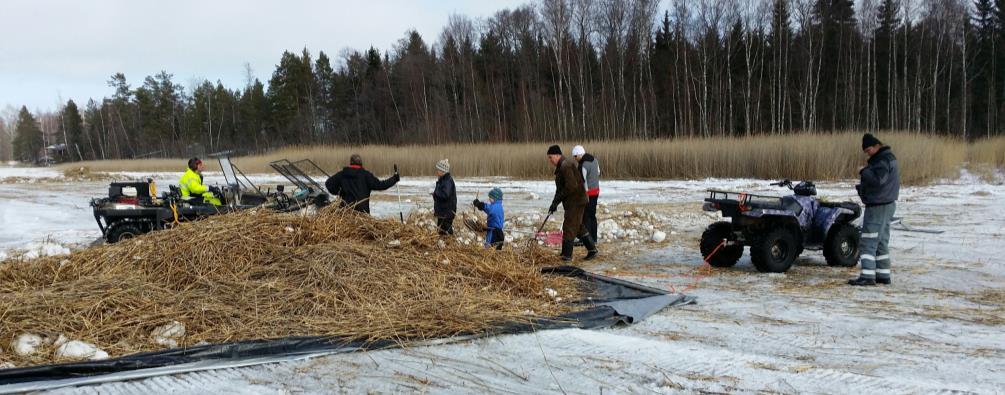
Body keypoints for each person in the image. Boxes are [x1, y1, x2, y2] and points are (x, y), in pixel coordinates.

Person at [849, 133, 900, 286]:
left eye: (869, 149)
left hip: (878, 206)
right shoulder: (889, 157)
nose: (868, 153)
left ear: (877, 145)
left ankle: (867, 276)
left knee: (868, 242)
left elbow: (879, 180)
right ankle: (883, 275)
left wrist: (864, 172)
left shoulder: (882, 160)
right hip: (887, 204)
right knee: (881, 241)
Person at [547, 145, 598, 261]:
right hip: (573, 202)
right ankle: (592, 250)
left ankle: (567, 256)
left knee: (569, 227)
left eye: (550, 157)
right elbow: (560, 189)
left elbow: (571, 186)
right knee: (578, 227)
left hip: (576, 201)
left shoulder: (566, 166)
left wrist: (558, 199)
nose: (550, 160)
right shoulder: (561, 167)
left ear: (557, 155)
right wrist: (554, 203)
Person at [325, 154, 400, 214]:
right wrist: (394, 179)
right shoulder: (366, 175)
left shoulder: (342, 174)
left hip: (346, 212)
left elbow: (328, 183)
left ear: (350, 163)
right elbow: (381, 185)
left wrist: (340, 192)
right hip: (363, 213)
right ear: (361, 163)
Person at [572, 145, 601, 244]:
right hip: (596, 191)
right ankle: (594, 239)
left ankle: (587, 241)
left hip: (587, 193)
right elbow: (598, 172)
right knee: (592, 215)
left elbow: (581, 181)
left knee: (586, 216)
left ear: (578, 155)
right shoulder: (594, 160)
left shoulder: (582, 165)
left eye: (575, 157)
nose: (575, 159)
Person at [431, 159, 457, 235]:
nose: (437, 171)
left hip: (447, 213)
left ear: (443, 171)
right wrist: (435, 194)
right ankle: (445, 245)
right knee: (441, 231)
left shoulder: (447, 181)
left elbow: (445, 195)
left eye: (438, 170)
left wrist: (435, 194)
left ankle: (450, 245)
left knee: (446, 232)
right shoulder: (442, 180)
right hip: (442, 212)